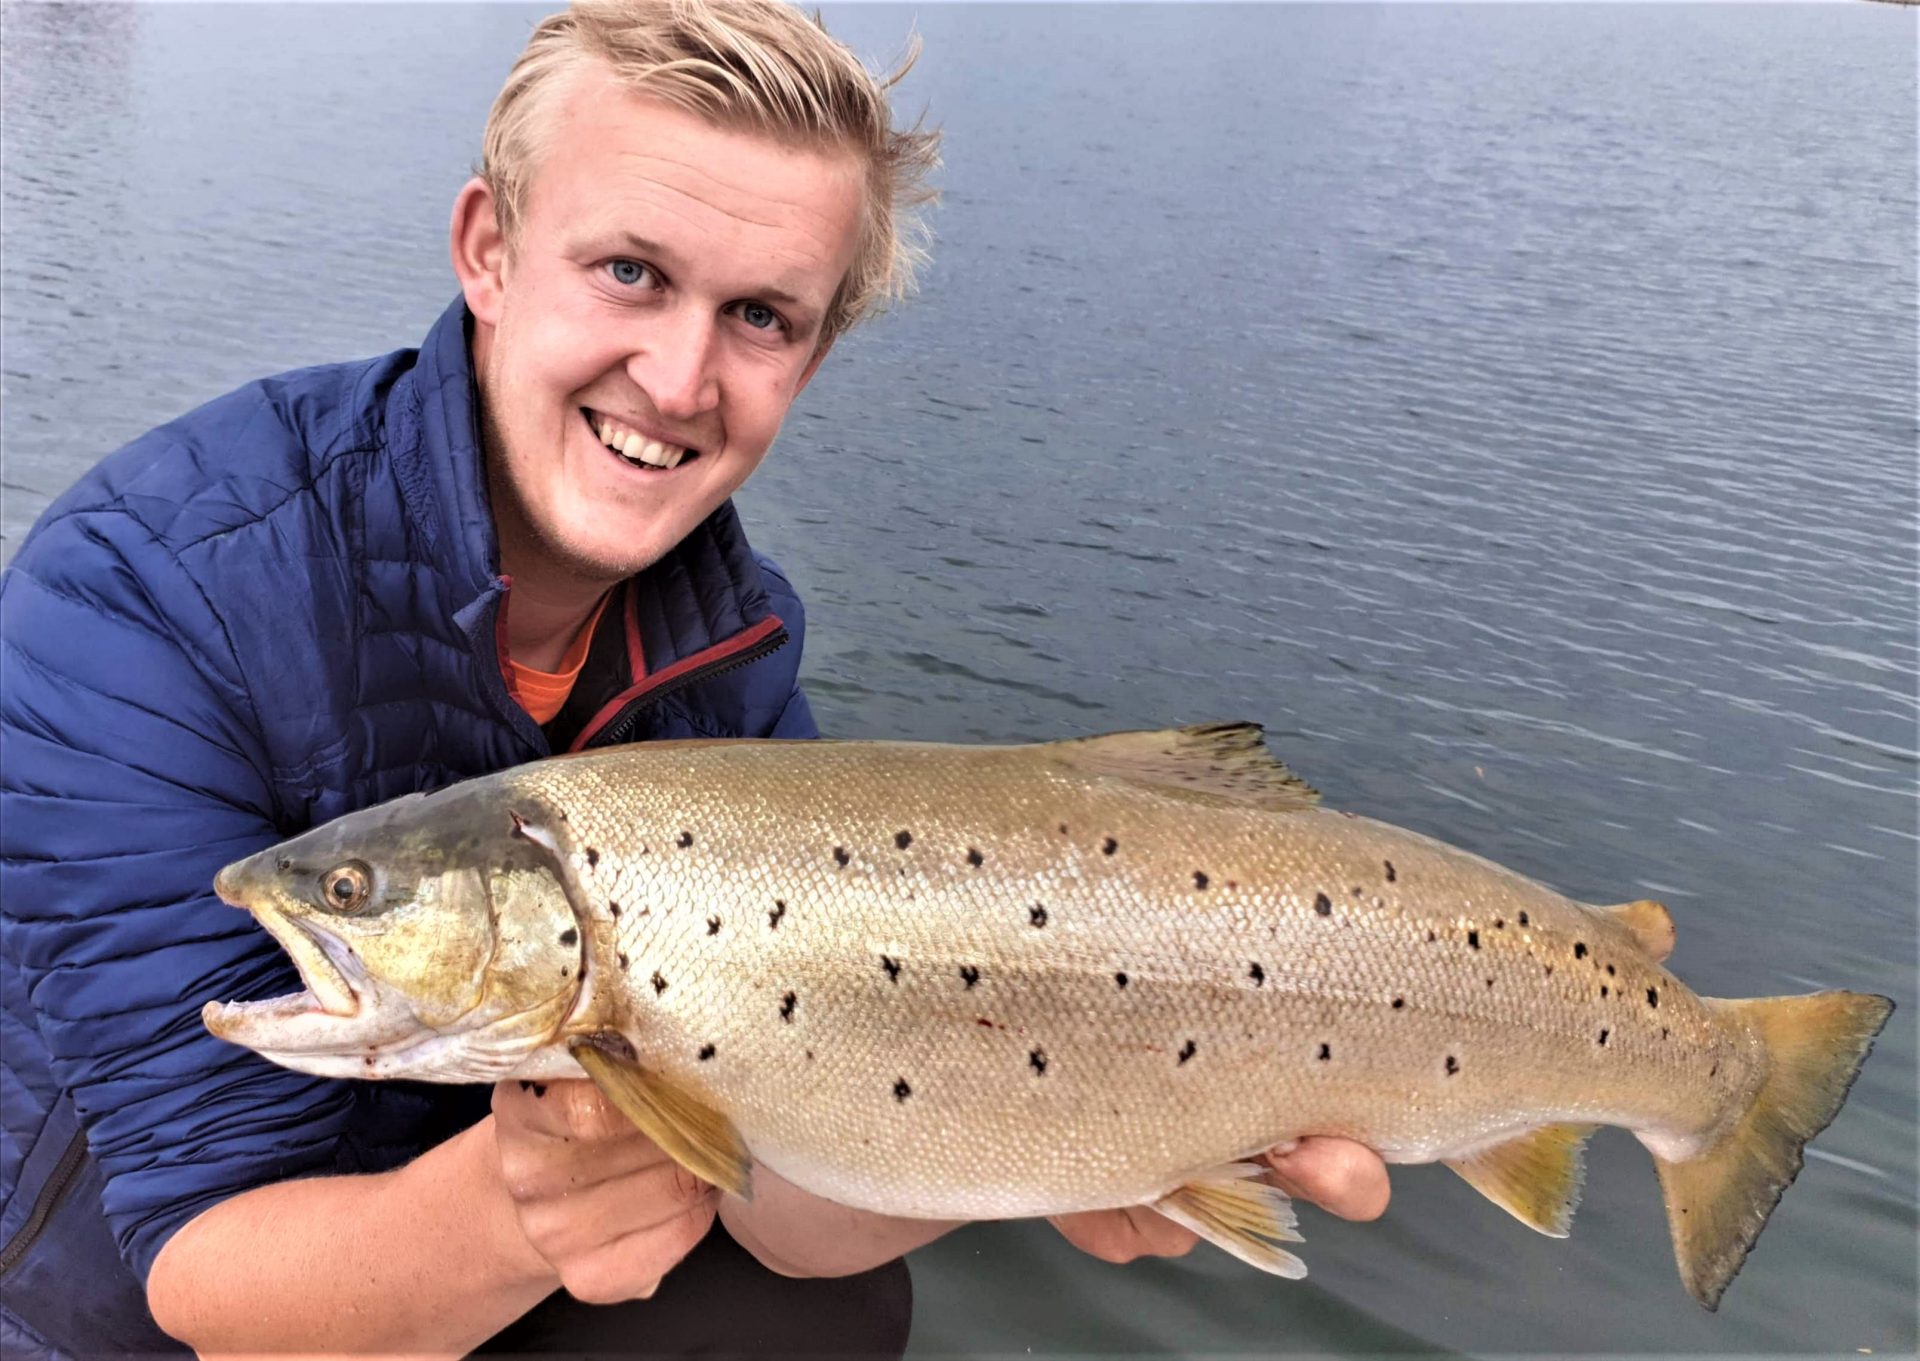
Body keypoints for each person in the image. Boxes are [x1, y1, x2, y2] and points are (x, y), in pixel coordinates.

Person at [0, 1, 1390, 1355]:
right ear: (489, 249)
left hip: (492, 1267)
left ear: (816, 349)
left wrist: (1048, 1138)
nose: (676, 377)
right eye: (630, 273)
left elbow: (789, 1215)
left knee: (810, 1308)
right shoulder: (148, 592)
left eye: (762, 317)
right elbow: (205, 1288)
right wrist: (509, 1209)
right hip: (114, 1320)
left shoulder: (732, 648)